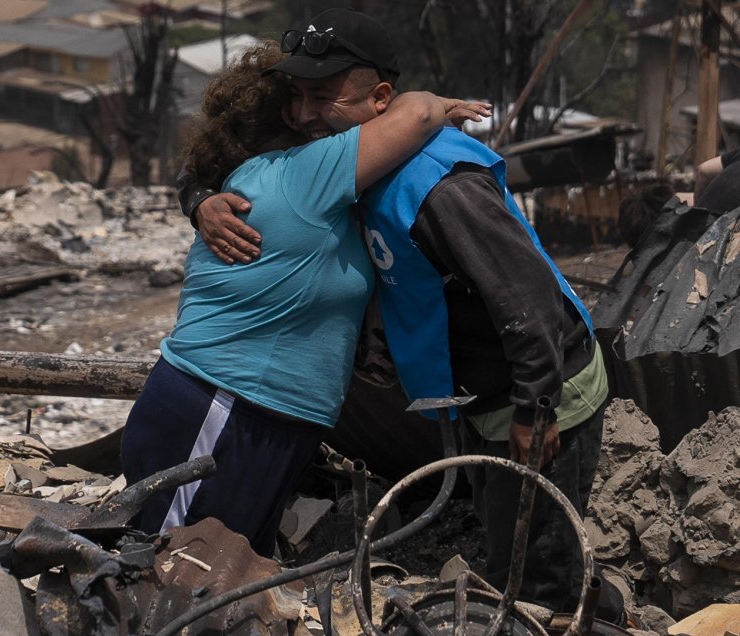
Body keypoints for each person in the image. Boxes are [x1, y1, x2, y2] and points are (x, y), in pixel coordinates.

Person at [182, 8, 625, 623]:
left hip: (544, 390)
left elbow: (525, 297)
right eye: (297, 98)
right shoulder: (354, 161)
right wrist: (199, 201)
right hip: (484, 394)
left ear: (382, 98)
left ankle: (589, 616)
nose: (304, 116)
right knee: (514, 550)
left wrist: (535, 407)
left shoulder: (437, 184)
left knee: (532, 575)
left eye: (321, 97)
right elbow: (217, 155)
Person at [121, 42, 482, 558]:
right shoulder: (300, 175)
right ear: (284, 116)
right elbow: (418, 113)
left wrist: (196, 197)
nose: (311, 113)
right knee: (171, 576)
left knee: (224, 582)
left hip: (262, 419)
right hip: (224, 411)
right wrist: (440, 104)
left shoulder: (285, 183)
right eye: (301, 100)